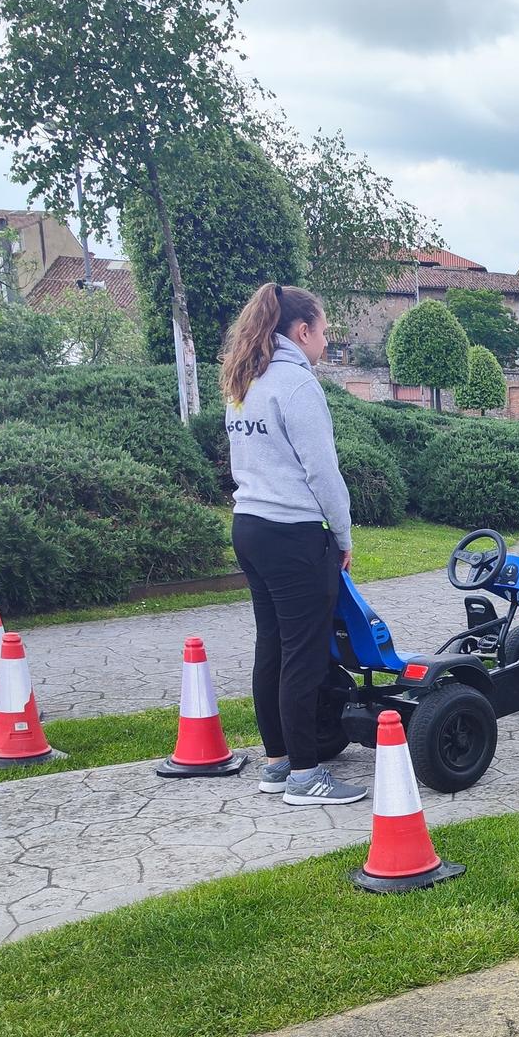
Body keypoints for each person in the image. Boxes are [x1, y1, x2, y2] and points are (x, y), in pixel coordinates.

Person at [220, 281, 364, 805]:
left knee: (273, 647)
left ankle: (278, 764)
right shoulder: (297, 386)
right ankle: (307, 775)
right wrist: (342, 535)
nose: (326, 342)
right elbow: (323, 474)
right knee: (303, 655)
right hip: (293, 533)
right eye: (324, 332)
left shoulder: (245, 381)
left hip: (251, 529)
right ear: (301, 331)